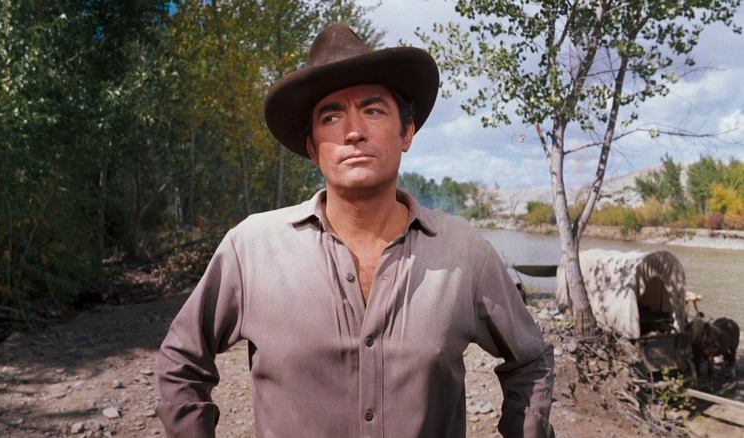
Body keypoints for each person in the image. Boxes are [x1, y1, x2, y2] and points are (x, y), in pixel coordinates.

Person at [157, 23, 555, 438]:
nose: (353, 131)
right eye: (331, 116)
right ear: (313, 148)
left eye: (373, 110)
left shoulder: (465, 253)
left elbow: (531, 361)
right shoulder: (251, 248)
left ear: (407, 132)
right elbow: (182, 360)